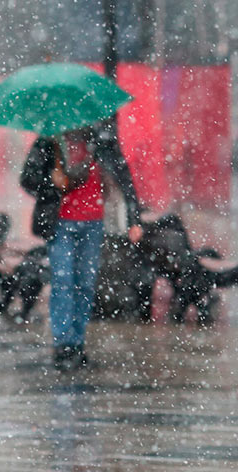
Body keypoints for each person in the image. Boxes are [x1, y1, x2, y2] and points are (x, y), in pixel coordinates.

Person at [20, 124, 143, 371]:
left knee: (85, 283)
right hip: (61, 223)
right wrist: (51, 182)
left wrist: (134, 217)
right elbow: (27, 179)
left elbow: (123, 175)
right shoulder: (50, 140)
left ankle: (77, 343)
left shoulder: (101, 140)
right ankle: (63, 345)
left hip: (93, 224)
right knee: (64, 281)